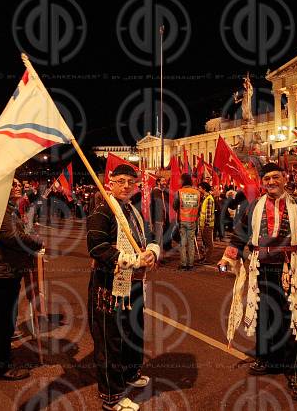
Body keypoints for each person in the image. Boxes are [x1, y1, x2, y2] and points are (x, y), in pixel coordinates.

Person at [218, 163, 297, 403]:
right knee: (265, 315)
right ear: (262, 182)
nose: (271, 182)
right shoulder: (254, 206)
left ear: (285, 178)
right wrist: (228, 257)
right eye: (267, 178)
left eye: (275, 177)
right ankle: (269, 358)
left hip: (290, 268)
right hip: (261, 267)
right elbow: (241, 233)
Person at [87, 165, 159, 411]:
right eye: (121, 181)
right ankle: (111, 395)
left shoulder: (133, 210)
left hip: (135, 285)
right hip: (109, 286)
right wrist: (132, 260)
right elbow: (97, 247)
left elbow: (148, 236)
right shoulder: (103, 210)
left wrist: (151, 252)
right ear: (111, 182)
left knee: (132, 331)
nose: (126, 185)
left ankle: (130, 373)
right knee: (110, 340)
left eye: (131, 181)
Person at [0, 178, 43, 381]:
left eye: (18, 183)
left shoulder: (6, 208)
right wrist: (37, 242)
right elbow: (11, 237)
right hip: (2, 271)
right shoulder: (0, 210)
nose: (18, 186)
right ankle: (1, 367)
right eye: (13, 184)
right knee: (4, 320)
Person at [173, 173, 200, 271]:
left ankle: (183, 263)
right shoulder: (197, 192)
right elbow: (198, 206)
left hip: (182, 220)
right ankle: (191, 263)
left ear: (183, 181)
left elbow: (175, 205)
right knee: (191, 242)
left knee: (183, 243)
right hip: (193, 220)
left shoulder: (180, 192)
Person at [149, 177, 167, 261]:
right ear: (158, 182)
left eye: (165, 181)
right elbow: (155, 206)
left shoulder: (161, 192)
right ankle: (156, 258)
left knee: (160, 239)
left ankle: (160, 257)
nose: (165, 182)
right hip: (157, 219)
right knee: (157, 239)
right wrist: (153, 220)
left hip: (160, 219)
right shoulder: (156, 191)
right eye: (163, 181)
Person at [198, 182, 215, 264]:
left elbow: (208, 214)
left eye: (200, 188)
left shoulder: (209, 199)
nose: (199, 189)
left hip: (207, 225)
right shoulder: (205, 198)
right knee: (205, 242)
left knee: (208, 243)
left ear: (204, 189)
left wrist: (206, 225)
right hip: (204, 225)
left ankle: (208, 259)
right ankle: (205, 257)